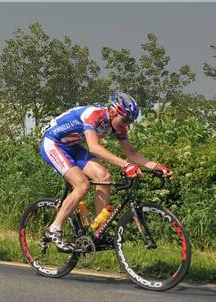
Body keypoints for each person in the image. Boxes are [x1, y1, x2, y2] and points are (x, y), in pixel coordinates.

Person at [40, 92, 173, 251]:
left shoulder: (118, 126)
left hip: (72, 147)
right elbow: (94, 147)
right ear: (113, 111)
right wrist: (125, 165)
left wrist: (158, 167)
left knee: (105, 177)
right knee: (82, 185)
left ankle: (98, 230)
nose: (126, 125)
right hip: (53, 144)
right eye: (124, 120)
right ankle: (54, 229)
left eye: (129, 121)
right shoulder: (94, 115)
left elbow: (132, 154)